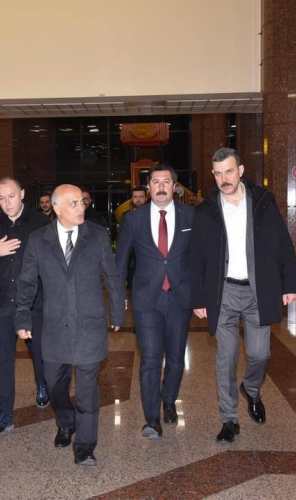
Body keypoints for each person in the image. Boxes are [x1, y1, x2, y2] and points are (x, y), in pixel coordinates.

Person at [189, 148, 296, 444]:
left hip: (257, 290)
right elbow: (196, 257)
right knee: (225, 357)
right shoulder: (206, 211)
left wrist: (290, 283)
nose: (223, 179)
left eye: (228, 171)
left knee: (260, 353)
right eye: (217, 174)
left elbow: (283, 244)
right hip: (222, 292)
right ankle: (229, 419)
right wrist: (198, 298)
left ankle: (251, 388)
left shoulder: (263, 202)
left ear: (240, 171)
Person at [16, 184, 125, 466]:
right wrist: (23, 317)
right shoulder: (38, 240)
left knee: (88, 390)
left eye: (81, 202)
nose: (81, 207)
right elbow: (27, 283)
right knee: (54, 383)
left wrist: (117, 311)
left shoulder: (97, 235)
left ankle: (85, 446)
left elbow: (112, 276)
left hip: (89, 325)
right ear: (56, 208)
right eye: (73, 203)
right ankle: (65, 421)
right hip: (54, 326)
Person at [115, 165, 194, 440]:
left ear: (174, 186)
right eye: (156, 182)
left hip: (180, 298)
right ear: (149, 187)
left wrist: (201, 296)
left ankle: (169, 399)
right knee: (150, 359)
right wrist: (119, 297)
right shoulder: (133, 219)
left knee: (175, 357)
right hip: (146, 299)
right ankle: (152, 418)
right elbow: (121, 261)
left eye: (166, 181)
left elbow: (199, 258)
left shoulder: (190, 216)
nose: (161, 186)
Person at [0, 178, 51, 436]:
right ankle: (5, 414)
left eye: (12, 196)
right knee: (3, 359)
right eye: (2, 198)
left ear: (22, 194)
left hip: (34, 304)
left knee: (39, 353)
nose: (7, 203)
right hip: (2, 304)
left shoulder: (41, 223)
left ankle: (42, 384)